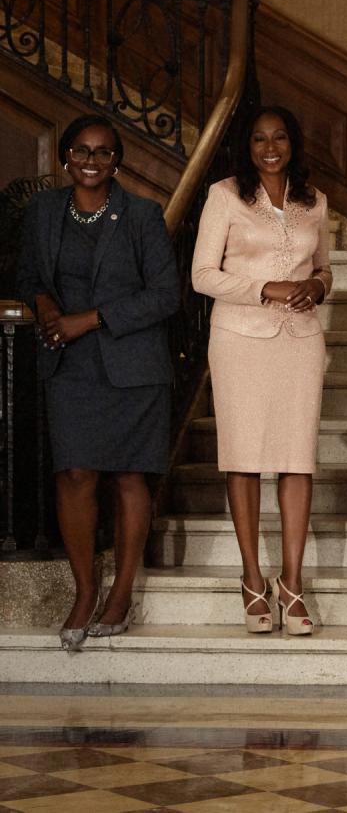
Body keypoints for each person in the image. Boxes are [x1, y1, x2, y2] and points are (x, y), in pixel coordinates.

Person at [15, 114, 180, 650]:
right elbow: (29, 276)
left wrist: (86, 319)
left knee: (130, 477)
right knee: (75, 475)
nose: (92, 161)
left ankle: (121, 592)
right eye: (82, 152)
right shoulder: (42, 212)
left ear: (118, 160)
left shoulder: (141, 215)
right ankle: (85, 591)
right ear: (66, 158)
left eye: (104, 152)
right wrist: (42, 305)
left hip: (133, 367)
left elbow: (164, 295)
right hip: (69, 366)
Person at [191, 105, 332, 635]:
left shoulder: (315, 201)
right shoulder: (224, 196)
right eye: (258, 139)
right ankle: (253, 580)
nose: (269, 147)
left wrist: (317, 287)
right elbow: (202, 275)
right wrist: (264, 289)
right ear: (246, 147)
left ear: (292, 142)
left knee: (297, 462)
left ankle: (292, 586)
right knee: (244, 460)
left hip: (299, 341)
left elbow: (324, 269)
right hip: (239, 340)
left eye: (279, 137)